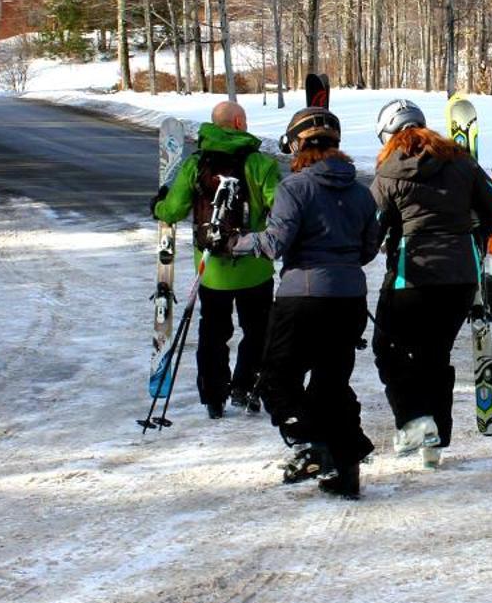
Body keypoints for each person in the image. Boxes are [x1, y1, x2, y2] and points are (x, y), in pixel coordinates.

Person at [223, 106, 381, 499]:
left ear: (296, 145)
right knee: (332, 384)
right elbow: (368, 248)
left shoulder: (295, 187)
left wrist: (236, 241)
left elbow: (275, 243)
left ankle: (310, 446)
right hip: (349, 298)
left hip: (302, 297)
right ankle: (345, 473)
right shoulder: (362, 191)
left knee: (277, 377)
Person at [370, 99, 492, 467]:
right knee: (434, 356)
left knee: (388, 348)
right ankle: (435, 442)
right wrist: (477, 235)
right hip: (460, 277)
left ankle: (414, 421)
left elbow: (371, 224)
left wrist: (369, 247)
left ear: (388, 134)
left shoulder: (388, 172)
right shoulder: (462, 161)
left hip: (409, 277)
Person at [151, 101, 282, 418]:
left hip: (211, 271)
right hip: (255, 267)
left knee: (212, 333)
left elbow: (173, 210)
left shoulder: (196, 164)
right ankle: (247, 386)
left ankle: (213, 396)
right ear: (238, 122)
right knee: (258, 330)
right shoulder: (260, 164)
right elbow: (280, 205)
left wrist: (158, 205)